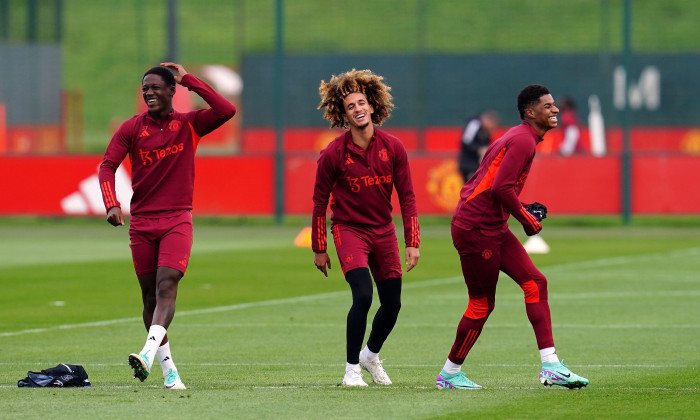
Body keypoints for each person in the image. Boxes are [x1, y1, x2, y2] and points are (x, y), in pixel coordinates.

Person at [436, 84, 589, 390]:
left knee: (535, 283)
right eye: (547, 106)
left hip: (491, 224)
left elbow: (496, 185)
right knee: (481, 304)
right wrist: (527, 219)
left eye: (554, 104)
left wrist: (521, 208)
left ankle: (551, 367)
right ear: (530, 113)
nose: (555, 109)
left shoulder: (521, 136)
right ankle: (449, 374)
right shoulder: (523, 140)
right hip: (476, 228)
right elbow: (500, 188)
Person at [98, 63, 236, 389]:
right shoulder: (132, 129)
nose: (149, 93)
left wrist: (189, 79)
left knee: (166, 286)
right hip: (142, 224)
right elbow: (107, 166)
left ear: (172, 91)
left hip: (177, 219)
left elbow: (226, 109)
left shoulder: (190, 124)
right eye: (145, 89)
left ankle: (146, 353)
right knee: (149, 299)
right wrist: (111, 204)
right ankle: (169, 372)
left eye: (156, 87)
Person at [312, 69, 421, 387]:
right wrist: (319, 247)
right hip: (349, 231)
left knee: (393, 304)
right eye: (350, 106)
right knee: (362, 295)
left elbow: (408, 197)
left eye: (362, 103)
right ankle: (351, 370)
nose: (358, 109)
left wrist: (412, 242)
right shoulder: (333, 154)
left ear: (372, 106)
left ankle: (370, 355)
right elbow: (319, 202)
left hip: (384, 231)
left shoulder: (394, 148)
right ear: (343, 115)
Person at [458, 110, 499, 182]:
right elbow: (466, 141)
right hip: (468, 165)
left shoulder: (486, 132)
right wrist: (479, 149)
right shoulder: (474, 124)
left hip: (477, 166)